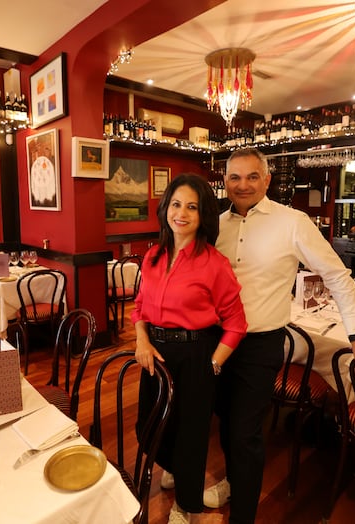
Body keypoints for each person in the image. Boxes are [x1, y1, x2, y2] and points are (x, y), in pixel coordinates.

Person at [205, 148, 355, 523]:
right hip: (214, 340)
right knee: (225, 420)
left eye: (251, 176)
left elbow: (337, 276)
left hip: (259, 344)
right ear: (225, 180)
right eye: (234, 177)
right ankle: (233, 479)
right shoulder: (215, 223)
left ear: (267, 180)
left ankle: (243, 515)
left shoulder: (292, 221)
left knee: (246, 431)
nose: (242, 185)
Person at [132, 173, 247, 524]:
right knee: (149, 426)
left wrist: (212, 364)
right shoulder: (153, 256)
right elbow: (139, 307)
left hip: (197, 353)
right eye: (176, 204)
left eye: (192, 207)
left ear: (203, 216)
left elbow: (236, 323)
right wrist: (141, 340)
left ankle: (186, 506)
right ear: (166, 207)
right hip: (155, 352)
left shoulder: (215, 263)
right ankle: (173, 469)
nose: (182, 213)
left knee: (191, 435)